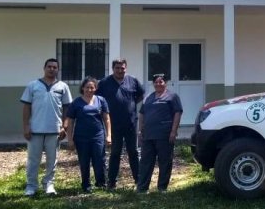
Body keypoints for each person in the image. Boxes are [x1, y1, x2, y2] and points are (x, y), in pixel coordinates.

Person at [20, 58, 72, 197]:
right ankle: (31, 186)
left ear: (58, 69)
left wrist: (65, 126)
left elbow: (67, 108)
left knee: (52, 160)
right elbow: (26, 107)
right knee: (33, 160)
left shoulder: (63, 87)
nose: (52, 69)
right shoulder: (33, 85)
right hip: (35, 130)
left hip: (54, 130)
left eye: (55, 67)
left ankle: (49, 184)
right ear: (44, 68)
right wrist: (26, 126)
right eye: (49, 66)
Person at [95, 58, 145, 189]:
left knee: (133, 152)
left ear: (126, 68)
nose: (120, 70)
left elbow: (140, 96)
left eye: (122, 68)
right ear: (113, 69)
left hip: (130, 123)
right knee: (115, 153)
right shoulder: (105, 82)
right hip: (113, 124)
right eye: (117, 68)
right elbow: (97, 98)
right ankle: (112, 181)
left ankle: (138, 180)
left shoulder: (133, 81)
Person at [136, 74, 183, 193]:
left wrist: (173, 131)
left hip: (164, 135)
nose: (158, 84)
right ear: (153, 84)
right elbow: (142, 114)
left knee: (165, 161)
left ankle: (162, 188)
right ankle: (142, 188)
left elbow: (177, 113)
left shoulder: (172, 97)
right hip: (148, 135)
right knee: (146, 162)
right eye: (156, 82)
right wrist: (140, 130)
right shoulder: (148, 97)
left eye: (161, 82)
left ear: (165, 83)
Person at [65, 77, 112, 193]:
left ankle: (101, 183)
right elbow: (70, 121)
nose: (89, 90)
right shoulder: (76, 102)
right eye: (87, 87)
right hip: (81, 138)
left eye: (92, 87)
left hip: (98, 136)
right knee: (84, 161)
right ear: (82, 88)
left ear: (95, 88)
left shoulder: (101, 100)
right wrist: (69, 139)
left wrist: (109, 135)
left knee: (99, 160)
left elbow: (106, 119)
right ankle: (86, 185)